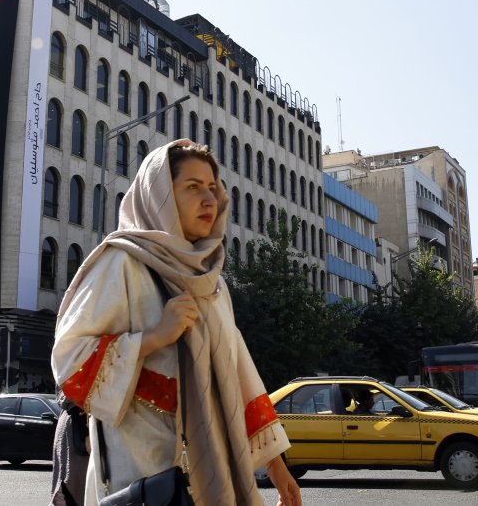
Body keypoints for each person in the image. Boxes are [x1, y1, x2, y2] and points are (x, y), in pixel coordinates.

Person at [51, 140, 302, 506]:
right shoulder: (122, 263)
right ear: (161, 196)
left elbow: (238, 375)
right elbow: (69, 361)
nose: (210, 200)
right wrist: (153, 338)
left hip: (214, 469)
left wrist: (279, 471)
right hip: (142, 475)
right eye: (193, 187)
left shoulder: (211, 281)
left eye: (213, 188)